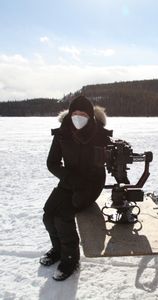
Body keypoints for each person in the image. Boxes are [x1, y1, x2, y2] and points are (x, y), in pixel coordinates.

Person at [40, 95, 112, 281]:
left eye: (83, 114)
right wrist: (68, 178)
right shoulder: (62, 133)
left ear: (90, 116)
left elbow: (114, 158)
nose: (78, 116)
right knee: (48, 214)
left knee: (63, 215)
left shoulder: (100, 135)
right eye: (75, 113)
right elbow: (52, 163)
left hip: (91, 184)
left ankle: (70, 259)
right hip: (69, 180)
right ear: (70, 114)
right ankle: (58, 250)